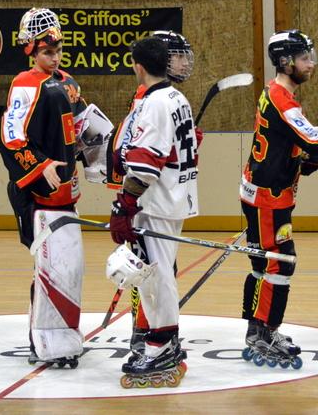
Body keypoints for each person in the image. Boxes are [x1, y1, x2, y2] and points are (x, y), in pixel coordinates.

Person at [240, 30, 318, 369]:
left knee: (263, 263)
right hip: (269, 198)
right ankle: (265, 331)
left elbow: (291, 143)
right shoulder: (282, 99)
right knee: (279, 263)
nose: (312, 63)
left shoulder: (279, 92)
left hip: (263, 191)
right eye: (305, 57)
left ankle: (257, 328)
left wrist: (301, 160)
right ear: (285, 61)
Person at [0, 7, 96, 368]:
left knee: (68, 269)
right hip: (38, 196)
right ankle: (45, 343)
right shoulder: (25, 84)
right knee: (51, 268)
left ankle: (63, 339)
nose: (53, 58)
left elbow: (84, 128)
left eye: (56, 51)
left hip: (65, 194)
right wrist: (40, 166)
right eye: (46, 52)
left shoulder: (67, 82)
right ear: (30, 50)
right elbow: (11, 138)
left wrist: (102, 151)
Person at [105, 35, 199, 388]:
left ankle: (162, 342)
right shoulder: (177, 97)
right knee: (157, 273)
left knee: (154, 275)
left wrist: (124, 205)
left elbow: (145, 166)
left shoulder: (155, 103)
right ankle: (164, 338)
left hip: (155, 204)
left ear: (138, 67)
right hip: (173, 201)